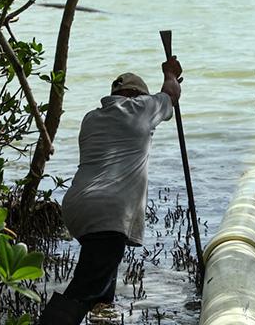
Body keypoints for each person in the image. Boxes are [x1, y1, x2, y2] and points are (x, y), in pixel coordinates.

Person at [38, 57, 182, 324]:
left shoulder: (91, 118)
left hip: (78, 207)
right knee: (83, 290)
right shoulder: (142, 107)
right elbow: (171, 93)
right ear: (137, 95)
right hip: (110, 211)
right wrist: (171, 73)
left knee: (102, 282)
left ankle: (103, 318)